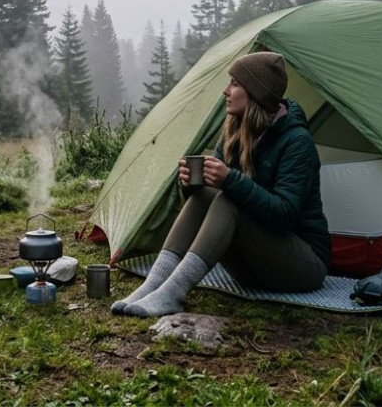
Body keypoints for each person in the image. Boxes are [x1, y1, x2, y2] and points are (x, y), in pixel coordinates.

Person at [112, 51, 330, 317]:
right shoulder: (235, 129)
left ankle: (172, 294)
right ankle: (154, 285)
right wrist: (193, 184)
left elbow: (284, 215)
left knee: (229, 199)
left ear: (256, 92)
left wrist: (229, 179)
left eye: (235, 84)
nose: (226, 91)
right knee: (207, 195)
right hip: (252, 270)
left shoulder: (297, 142)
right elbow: (207, 198)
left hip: (302, 267)